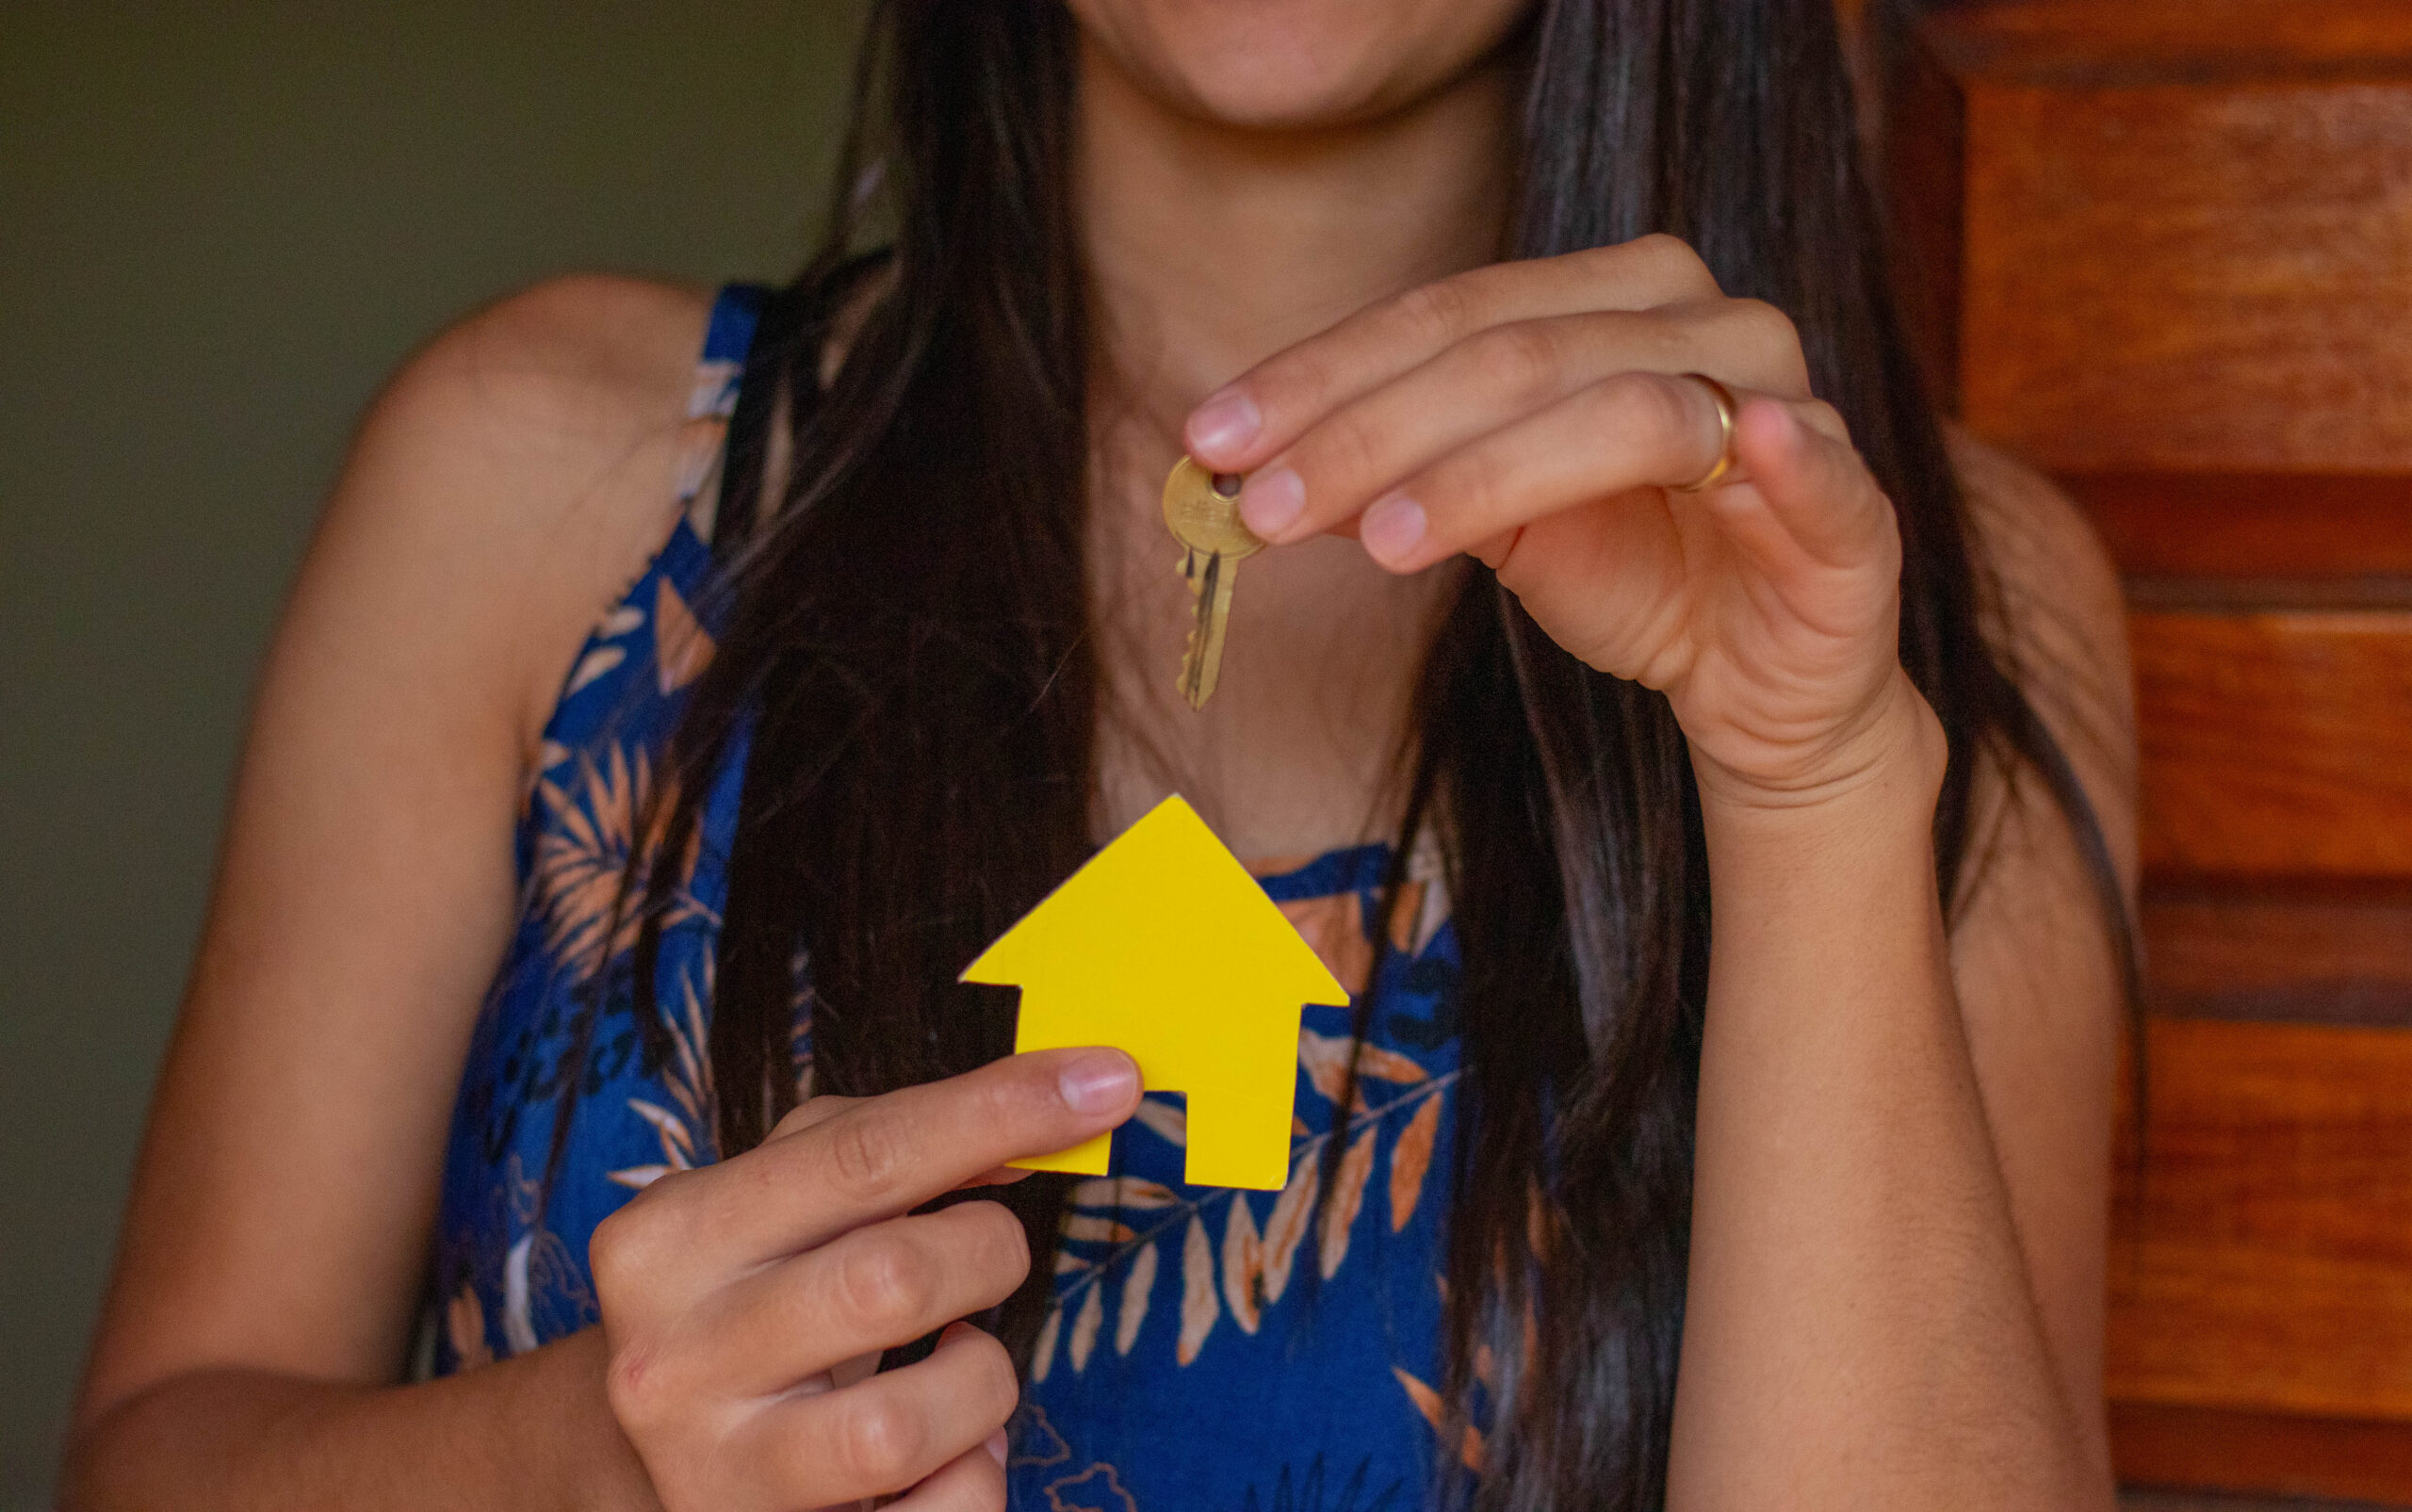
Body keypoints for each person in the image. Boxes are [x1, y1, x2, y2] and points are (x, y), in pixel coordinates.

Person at [63, 2, 2136, 1508]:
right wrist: (582, 1454)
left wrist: (1802, 782)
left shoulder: (1927, 598)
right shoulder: (524, 477)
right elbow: (154, 1451)